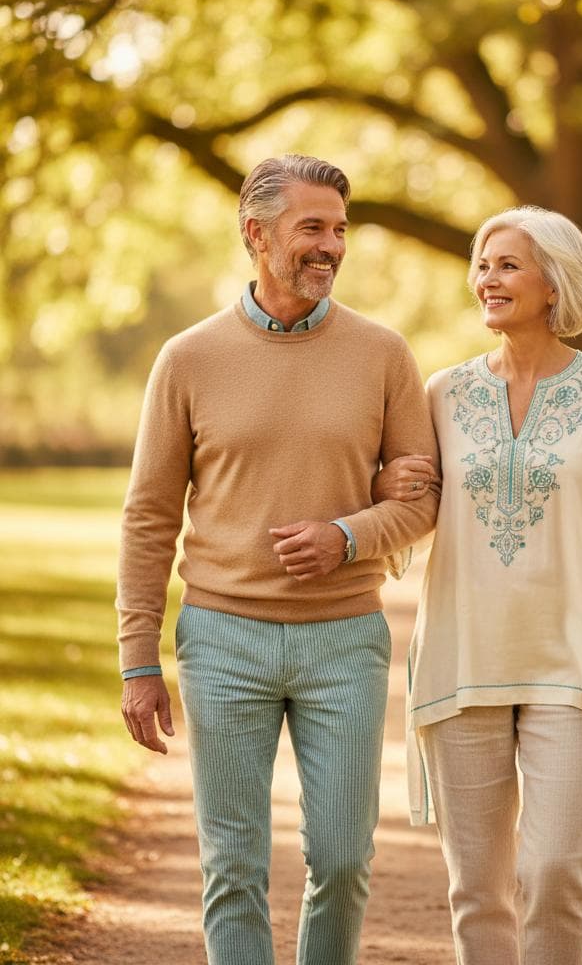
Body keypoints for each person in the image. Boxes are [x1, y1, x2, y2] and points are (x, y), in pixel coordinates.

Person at [117, 153, 440, 965]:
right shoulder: (187, 360)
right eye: (312, 229)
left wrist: (348, 537)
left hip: (345, 641)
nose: (331, 246)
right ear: (256, 234)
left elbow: (424, 498)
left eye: (339, 230)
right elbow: (150, 517)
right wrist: (137, 661)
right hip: (222, 641)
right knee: (233, 865)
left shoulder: (383, 354)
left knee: (342, 855)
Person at [374, 206, 582, 965]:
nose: (487, 279)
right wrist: (388, 481)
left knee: (555, 869)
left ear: (554, 284)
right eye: (482, 264)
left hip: (570, 666)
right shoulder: (441, 393)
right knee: (476, 887)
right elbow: (411, 506)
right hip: (462, 659)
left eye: (507, 265)